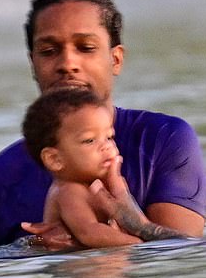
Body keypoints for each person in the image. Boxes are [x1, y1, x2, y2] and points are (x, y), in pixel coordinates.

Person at [0, 0, 206, 249]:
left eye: (86, 48)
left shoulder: (164, 140)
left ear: (115, 59)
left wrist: (128, 224)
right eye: (49, 51)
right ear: (33, 64)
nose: (68, 64)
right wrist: (31, 249)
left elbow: (184, 259)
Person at [21, 87, 141, 247]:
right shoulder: (68, 190)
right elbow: (90, 233)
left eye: (109, 137)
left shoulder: (100, 184)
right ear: (54, 159)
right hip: (84, 269)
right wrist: (141, 246)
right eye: (90, 140)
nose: (106, 146)